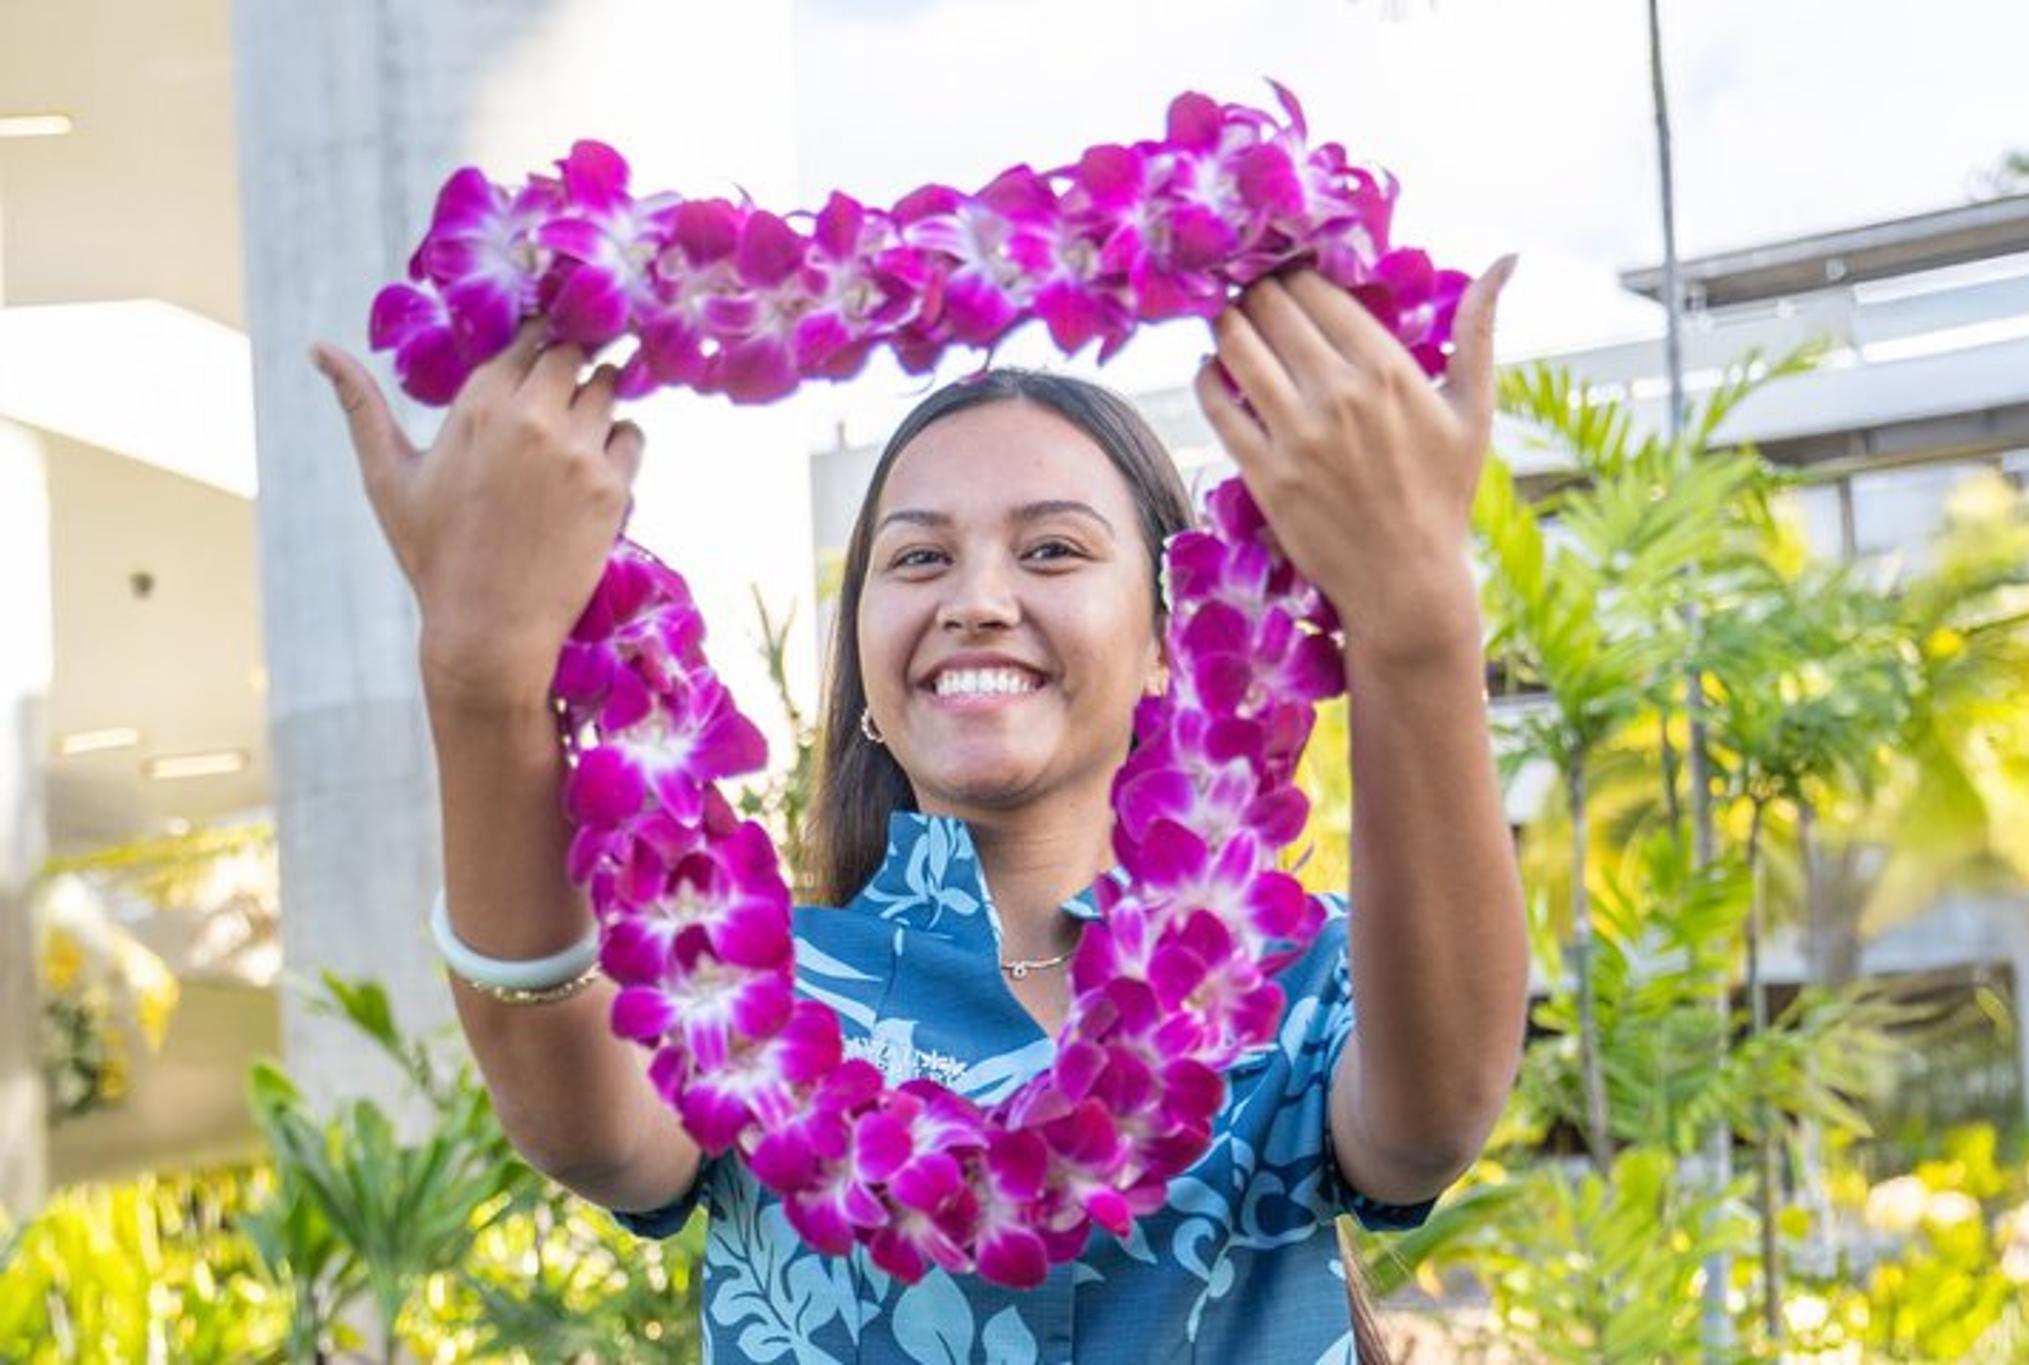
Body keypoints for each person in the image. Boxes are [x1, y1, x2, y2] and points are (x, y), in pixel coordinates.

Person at [313, 257, 1530, 1362]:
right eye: (916, 559)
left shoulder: (1294, 970)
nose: (978, 601)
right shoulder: (752, 999)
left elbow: (1430, 1117)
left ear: (1171, 640)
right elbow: (578, 1120)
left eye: (1051, 551)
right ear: (867, 665)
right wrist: (478, 682)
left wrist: (1413, 619)